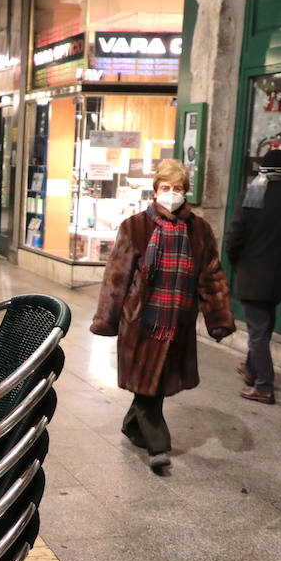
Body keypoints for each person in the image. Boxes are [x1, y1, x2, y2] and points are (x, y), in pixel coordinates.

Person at [91, 159, 235, 472]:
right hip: (142, 321)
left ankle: (132, 425)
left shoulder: (199, 230)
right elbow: (117, 276)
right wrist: (107, 318)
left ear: (187, 192)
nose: (172, 194)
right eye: (166, 188)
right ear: (155, 190)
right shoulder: (135, 227)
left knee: (151, 382)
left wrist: (219, 318)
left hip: (178, 322)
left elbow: (211, 275)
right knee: (150, 386)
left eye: (178, 188)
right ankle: (159, 446)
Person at [223, 148, 281, 405]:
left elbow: (234, 236)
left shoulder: (254, 193)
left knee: (257, 332)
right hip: (280, 276)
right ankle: (252, 369)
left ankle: (264, 386)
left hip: (252, 275)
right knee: (264, 326)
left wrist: (236, 260)